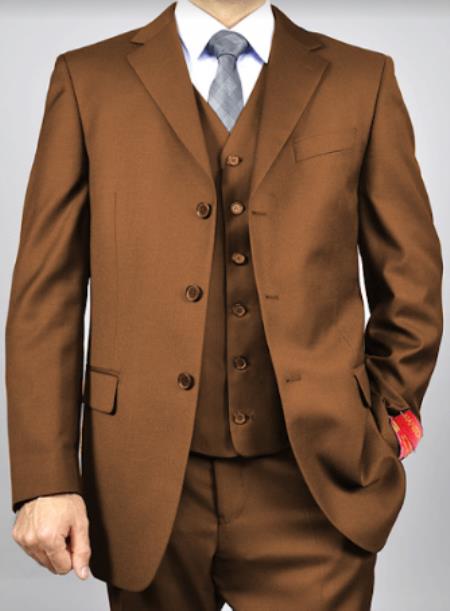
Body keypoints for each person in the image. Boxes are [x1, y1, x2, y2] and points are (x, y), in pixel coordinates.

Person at [5, 0, 443, 609]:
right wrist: (46, 479)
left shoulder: (361, 79)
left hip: (316, 484)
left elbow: (411, 278)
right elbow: (45, 293)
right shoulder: (89, 79)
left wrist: (386, 425)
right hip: (141, 478)